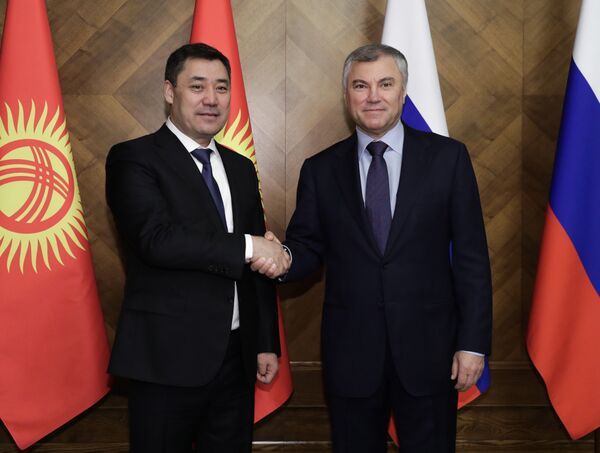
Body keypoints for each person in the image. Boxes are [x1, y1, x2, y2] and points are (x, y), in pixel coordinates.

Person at [254, 43, 492, 452]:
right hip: (352, 356)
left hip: (430, 354)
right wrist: (284, 258)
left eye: (385, 84)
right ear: (346, 94)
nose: (373, 96)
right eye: (360, 86)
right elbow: (308, 245)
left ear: (403, 91)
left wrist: (472, 344)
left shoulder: (448, 159)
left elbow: (472, 258)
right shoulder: (320, 169)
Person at [105, 43, 289, 453]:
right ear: (170, 91)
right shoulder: (133, 159)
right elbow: (156, 240)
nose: (211, 99)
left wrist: (265, 341)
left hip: (236, 359)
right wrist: (250, 245)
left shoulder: (240, 167)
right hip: (165, 360)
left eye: (221, 88)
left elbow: (255, 265)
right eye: (198, 86)